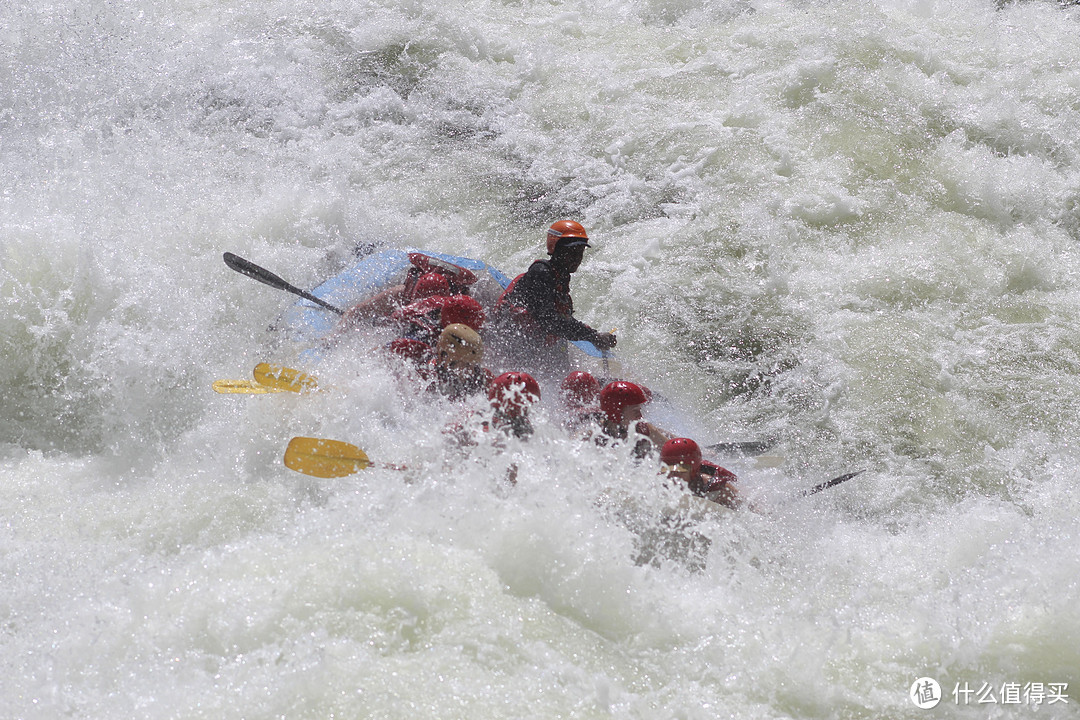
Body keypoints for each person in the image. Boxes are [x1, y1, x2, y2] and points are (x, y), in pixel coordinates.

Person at [493, 220, 617, 379]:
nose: (577, 258)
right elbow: (550, 320)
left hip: (537, 345)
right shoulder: (541, 273)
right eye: (571, 252)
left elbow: (561, 321)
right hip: (515, 345)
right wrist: (593, 336)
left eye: (580, 253)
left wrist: (592, 335)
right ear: (555, 249)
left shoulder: (561, 276)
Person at [594, 380, 670, 457]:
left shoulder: (644, 430)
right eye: (635, 411)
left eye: (640, 410)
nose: (640, 416)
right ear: (616, 413)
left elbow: (672, 449)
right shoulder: (595, 434)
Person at [660, 437, 741, 510]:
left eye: (679, 472)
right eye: (668, 470)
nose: (673, 477)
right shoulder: (660, 479)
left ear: (693, 472)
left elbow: (743, 503)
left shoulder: (715, 486)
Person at [426, 323, 493, 400]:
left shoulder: (483, 377)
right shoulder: (429, 377)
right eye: (467, 364)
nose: (471, 371)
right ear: (444, 357)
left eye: (474, 365)